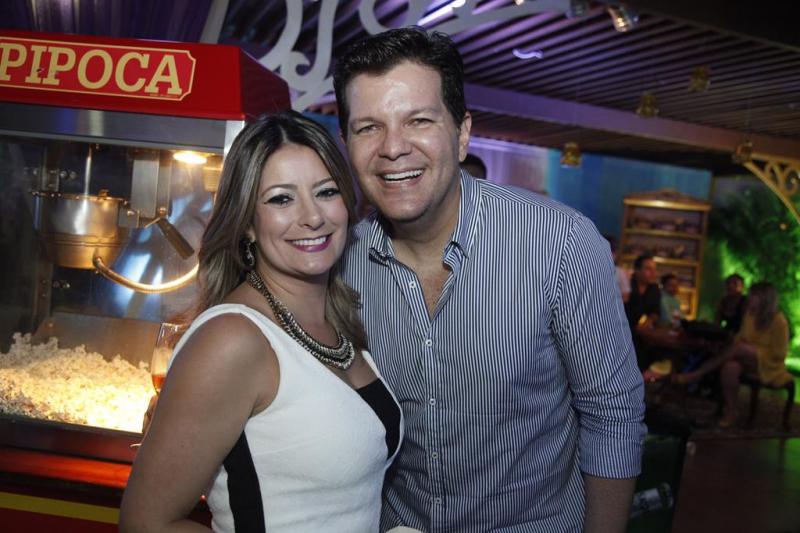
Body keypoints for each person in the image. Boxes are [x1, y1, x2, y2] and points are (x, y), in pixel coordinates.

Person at [333, 27, 645, 532]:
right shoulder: (339, 264)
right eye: (369, 127)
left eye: (419, 120)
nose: (393, 148)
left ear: (461, 134)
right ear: (346, 143)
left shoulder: (560, 243)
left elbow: (613, 416)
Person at [119, 112, 402, 532]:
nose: (313, 217)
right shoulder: (232, 339)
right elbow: (146, 525)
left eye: (326, 192)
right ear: (247, 223)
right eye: (281, 199)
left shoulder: (340, 322)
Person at [675, 282, 792, 427]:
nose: (749, 298)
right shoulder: (750, 314)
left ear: (765, 299)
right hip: (746, 358)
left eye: (754, 296)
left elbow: (780, 353)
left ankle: (696, 373)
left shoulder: (779, 320)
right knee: (730, 367)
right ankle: (731, 411)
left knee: (739, 348)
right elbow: (740, 337)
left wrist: (750, 349)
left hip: (770, 364)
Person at [625, 254, 661, 332]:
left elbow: (655, 311)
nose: (653, 273)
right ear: (637, 270)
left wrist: (649, 321)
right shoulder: (625, 284)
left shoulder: (654, 288)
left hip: (640, 332)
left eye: (654, 269)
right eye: (648, 269)